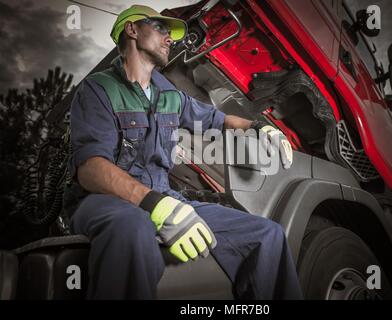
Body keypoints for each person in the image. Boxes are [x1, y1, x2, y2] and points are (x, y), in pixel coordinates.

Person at [63, 4, 302, 300]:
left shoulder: (170, 94)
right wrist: (153, 204)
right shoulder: (99, 89)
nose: (169, 38)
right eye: (162, 28)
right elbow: (90, 168)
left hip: (163, 194)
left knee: (267, 236)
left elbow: (218, 119)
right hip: (105, 200)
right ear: (132, 29)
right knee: (132, 227)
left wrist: (260, 128)